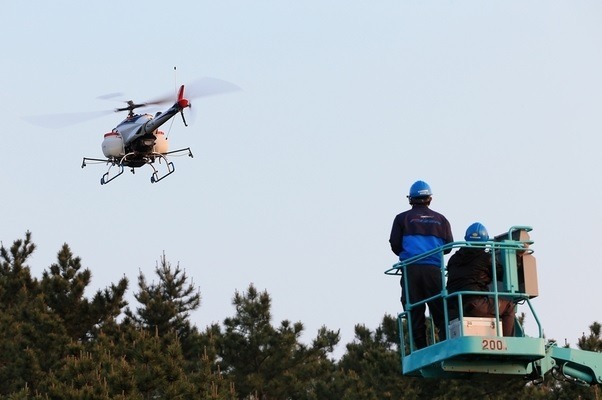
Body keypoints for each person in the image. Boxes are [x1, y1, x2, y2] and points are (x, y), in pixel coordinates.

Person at [389, 180, 453, 349]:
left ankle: (421, 349)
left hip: (411, 270)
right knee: (440, 311)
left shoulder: (401, 219)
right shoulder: (442, 220)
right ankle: (446, 345)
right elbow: (448, 247)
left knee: (414, 311)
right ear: (430, 199)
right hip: (433, 271)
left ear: (411, 199)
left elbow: (395, 245)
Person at [446, 222, 516, 337]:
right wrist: (516, 258)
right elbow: (501, 274)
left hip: (454, 307)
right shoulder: (486, 258)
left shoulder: (453, 259)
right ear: (485, 241)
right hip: (475, 303)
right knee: (508, 306)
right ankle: (507, 344)